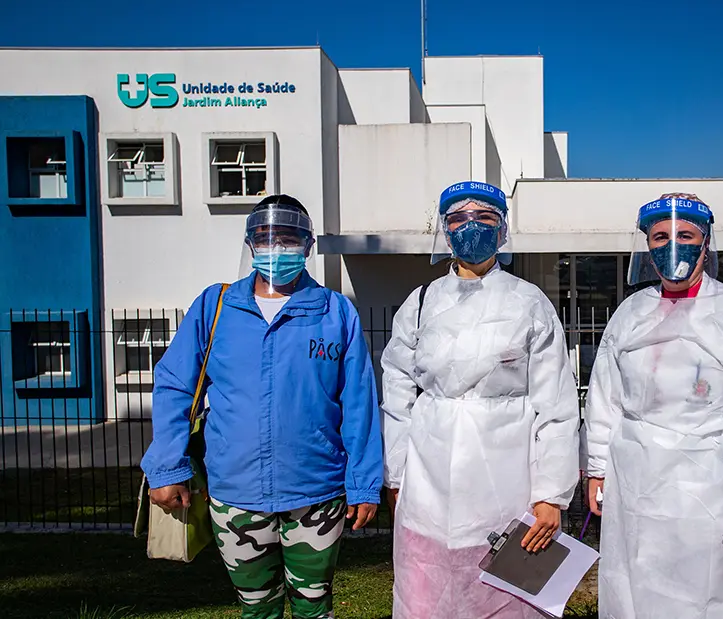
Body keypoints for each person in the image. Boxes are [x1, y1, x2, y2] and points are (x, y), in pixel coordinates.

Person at [140, 195, 383, 619]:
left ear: (307, 246)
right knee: (256, 609)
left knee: (314, 607)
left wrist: (363, 484)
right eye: (267, 238)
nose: (278, 248)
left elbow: (359, 402)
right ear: (251, 243)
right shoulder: (216, 307)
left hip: (316, 492)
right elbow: (175, 384)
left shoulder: (334, 311)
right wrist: (167, 468)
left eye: (289, 239)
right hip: (236, 493)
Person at [381, 180, 581, 619]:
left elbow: (557, 406)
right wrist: (397, 475)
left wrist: (551, 494)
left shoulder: (529, 303)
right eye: (458, 218)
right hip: (428, 484)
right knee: (425, 595)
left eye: (485, 217)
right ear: (445, 229)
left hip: (505, 483)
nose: (471, 227)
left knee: (504, 597)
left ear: (503, 229)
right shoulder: (421, 304)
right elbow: (397, 393)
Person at [583, 193, 723, 619]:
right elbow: (605, 398)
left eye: (685, 235)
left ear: (706, 242)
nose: (672, 246)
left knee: (706, 595)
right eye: (660, 237)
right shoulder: (632, 312)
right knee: (634, 585)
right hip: (634, 481)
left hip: (708, 487)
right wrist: (597, 468)